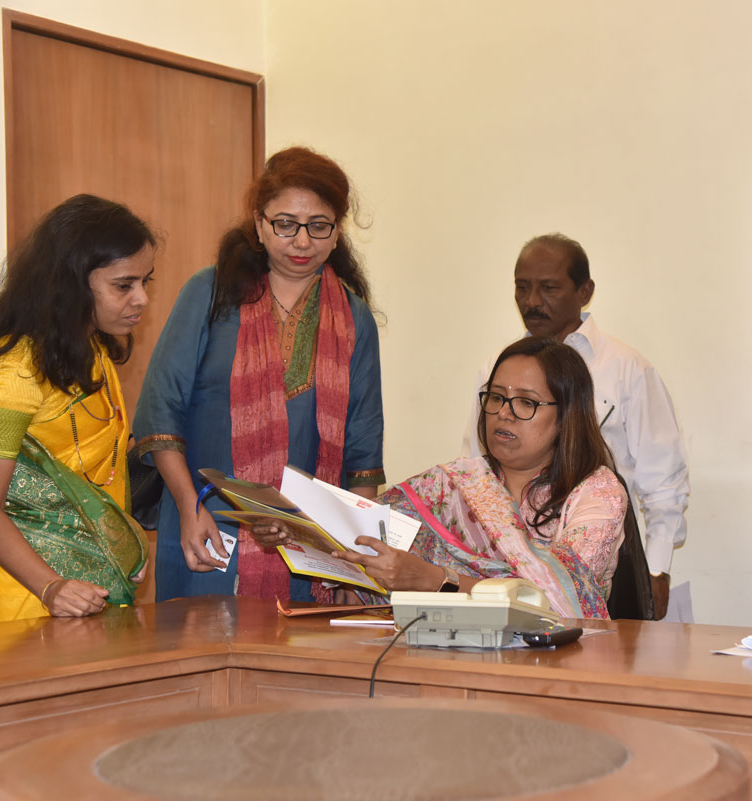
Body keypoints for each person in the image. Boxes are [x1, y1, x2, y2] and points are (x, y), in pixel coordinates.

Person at [133, 147, 384, 604]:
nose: (302, 242)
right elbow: (160, 412)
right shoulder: (209, 294)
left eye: (318, 227)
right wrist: (190, 508)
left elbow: (363, 452)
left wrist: (351, 558)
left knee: (293, 671)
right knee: (199, 659)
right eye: (285, 224)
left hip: (309, 549)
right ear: (259, 223)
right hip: (206, 527)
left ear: (337, 232)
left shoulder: (354, 318)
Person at [256, 338, 633, 618]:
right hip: (451, 659)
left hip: (556, 669)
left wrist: (436, 580)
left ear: (567, 415)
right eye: (497, 397)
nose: (504, 413)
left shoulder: (597, 492)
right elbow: (363, 533)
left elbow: (559, 602)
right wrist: (295, 528)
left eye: (526, 402)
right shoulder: (455, 484)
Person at [0, 194, 153, 626]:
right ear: (72, 283)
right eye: (124, 285)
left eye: (144, 282)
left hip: (91, 589)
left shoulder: (92, 352)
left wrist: (124, 542)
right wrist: (51, 587)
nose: (141, 299)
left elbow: (101, 470)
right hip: (19, 598)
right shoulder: (14, 375)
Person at [461, 234, 688, 618]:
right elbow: (476, 464)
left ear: (585, 291)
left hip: (603, 561)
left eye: (548, 288)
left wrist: (657, 568)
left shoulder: (626, 368)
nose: (532, 301)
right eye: (522, 287)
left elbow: (662, 479)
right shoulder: (498, 366)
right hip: (501, 567)